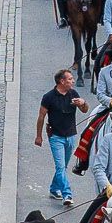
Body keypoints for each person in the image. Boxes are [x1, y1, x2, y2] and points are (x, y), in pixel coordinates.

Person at [37, 68, 84, 205]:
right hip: (56, 137)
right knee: (60, 166)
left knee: (62, 167)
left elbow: (85, 109)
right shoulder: (48, 97)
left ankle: (53, 188)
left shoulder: (73, 94)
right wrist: (39, 136)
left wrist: (83, 103)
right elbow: (41, 117)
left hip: (70, 136)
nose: (73, 81)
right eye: (70, 79)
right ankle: (67, 194)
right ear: (61, 81)